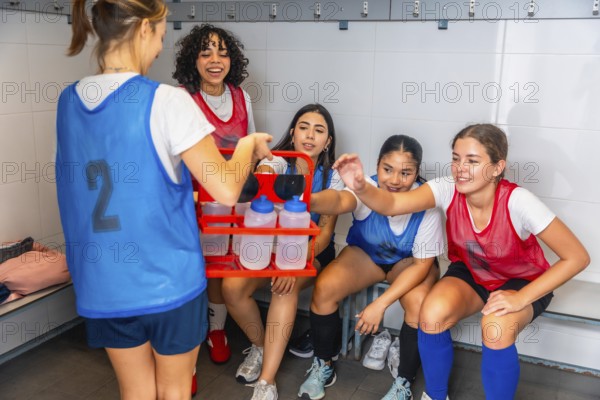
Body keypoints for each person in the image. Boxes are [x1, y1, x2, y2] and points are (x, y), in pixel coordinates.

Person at [56, 0, 272, 398]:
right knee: (174, 391)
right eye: (160, 34)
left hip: (102, 281)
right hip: (166, 283)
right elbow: (225, 188)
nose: (158, 47)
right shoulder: (168, 101)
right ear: (142, 30)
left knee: (135, 392)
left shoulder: (68, 101)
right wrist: (247, 145)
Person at [333, 124, 590, 400]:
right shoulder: (446, 188)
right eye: (456, 159)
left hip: (522, 281)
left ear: (496, 167)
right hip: (472, 272)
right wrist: (360, 187)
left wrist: (520, 299)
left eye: (472, 161)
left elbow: (577, 258)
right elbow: (392, 204)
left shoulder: (519, 201)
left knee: (495, 327)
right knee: (430, 314)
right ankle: (435, 395)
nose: (460, 168)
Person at [297, 135, 445, 400]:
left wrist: (380, 305)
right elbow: (339, 201)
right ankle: (324, 363)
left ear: (417, 173)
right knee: (326, 286)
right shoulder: (364, 186)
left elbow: (423, 265)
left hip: (409, 263)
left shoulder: (427, 203)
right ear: (377, 166)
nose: (395, 180)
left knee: (419, 301)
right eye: (387, 169)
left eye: (406, 173)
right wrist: (305, 198)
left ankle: (404, 381)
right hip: (367, 256)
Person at [222, 104, 343, 400]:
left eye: (319, 130)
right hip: (269, 250)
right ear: (293, 132)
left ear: (328, 141)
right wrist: (261, 167)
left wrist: (293, 264)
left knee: (284, 289)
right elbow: (262, 178)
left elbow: (326, 233)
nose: (310, 135)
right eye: (304, 127)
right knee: (231, 288)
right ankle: (262, 346)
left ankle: (267, 381)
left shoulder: (333, 175)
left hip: (311, 253)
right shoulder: (277, 161)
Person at [173, 24, 256, 372]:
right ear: (194, 59)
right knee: (192, 275)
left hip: (230, 203)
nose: (214, 59)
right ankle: (184, 360)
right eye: (205, 51)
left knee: (220, 270)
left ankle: (217, 331)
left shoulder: (241, 96)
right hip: (188, 202)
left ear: (231, 59)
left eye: (222, 52)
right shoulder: (180, 99)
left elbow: (250, 150)